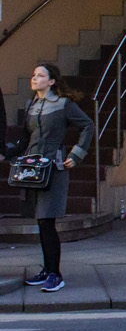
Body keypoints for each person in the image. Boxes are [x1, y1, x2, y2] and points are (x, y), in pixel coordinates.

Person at [1, 63, 95, 293]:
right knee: (41, 222)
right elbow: (25, 140)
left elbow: (87, 125)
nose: (34, 78)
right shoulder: (31, 105)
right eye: (33, 75)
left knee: (47, 221)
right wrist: (6, 153)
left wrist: (77, 154)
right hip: (33, 170)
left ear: (51, 81)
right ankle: (47, 270)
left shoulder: (64, 105)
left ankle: (55, 274)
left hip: (54, 168)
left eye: (40, 75)